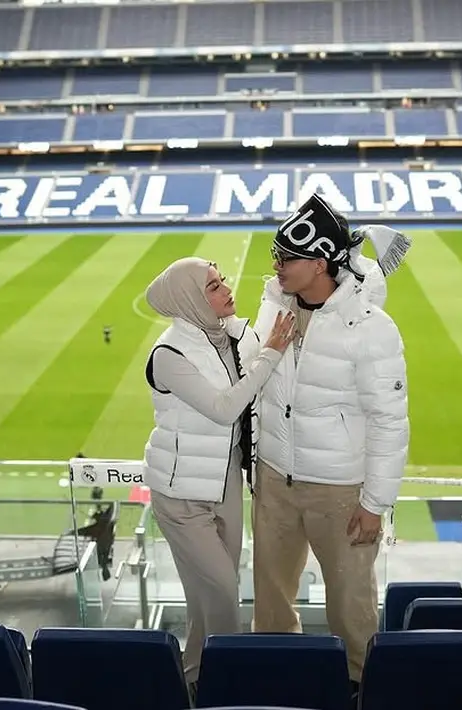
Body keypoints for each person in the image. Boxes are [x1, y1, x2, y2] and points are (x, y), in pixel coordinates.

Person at [250, 193, 411, 686]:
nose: (276, 265)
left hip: (341, 493)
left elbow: (389, 420)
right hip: (275, 480)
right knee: (271, 602)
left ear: (319, 264)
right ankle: (276, 684)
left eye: (286, 258)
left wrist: (374, 503)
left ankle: (361, 688)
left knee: (351, 606)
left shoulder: (372, 330)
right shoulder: (274, 307)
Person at [141, 256, 297, 691]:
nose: (226, 289)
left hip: (226, 481)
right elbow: (225, 409)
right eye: (212, 286)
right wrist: (270, 355)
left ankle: (194, 680)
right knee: (224, 596)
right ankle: (229, 687)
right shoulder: (168, 355)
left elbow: (268, 348)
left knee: (204, 603)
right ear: (190, 299)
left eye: (221, 281)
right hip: (181, 495)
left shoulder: (232, 335)